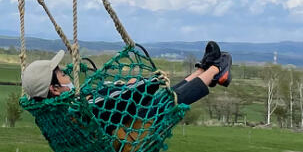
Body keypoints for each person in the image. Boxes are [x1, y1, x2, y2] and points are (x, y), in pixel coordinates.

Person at [21, 40, 231, 107]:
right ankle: (216, 70)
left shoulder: (62, 108)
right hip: (131, 132)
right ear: (55, 89)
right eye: (62, 74)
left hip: (124, 124)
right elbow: (110, 103)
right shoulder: (76, 108)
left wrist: (127, 86)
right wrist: (140, 84)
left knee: (164, 97)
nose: (67, 74)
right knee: (167, 102)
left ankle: (202, 71)